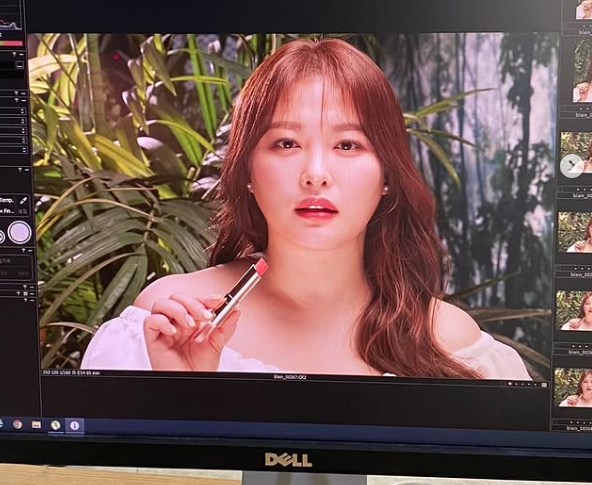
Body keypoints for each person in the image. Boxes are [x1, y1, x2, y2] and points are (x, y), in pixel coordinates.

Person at [80, 38, 531, 380]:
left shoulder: (452, 346)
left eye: (347, 145)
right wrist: (184, 393)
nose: (315, 174)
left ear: (387, 176)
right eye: (286, 143)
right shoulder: (167, 324)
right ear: (248, 172)